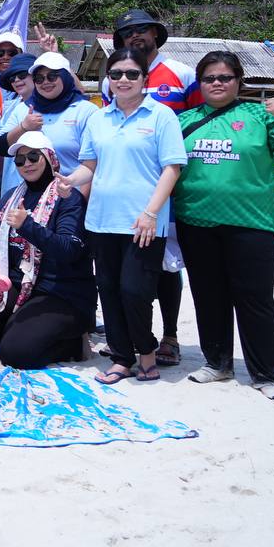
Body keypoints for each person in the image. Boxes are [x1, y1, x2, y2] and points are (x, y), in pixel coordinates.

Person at [173, 52, 274, 401]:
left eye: (225, 77)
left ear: (238, 82)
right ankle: (217, 363)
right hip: (195, 221)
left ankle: (265, 373)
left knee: (255, 299)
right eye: (209, 78)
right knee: (208, 295)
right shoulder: (184, 119)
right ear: (199, 84)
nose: (217, 83)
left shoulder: (262, 115)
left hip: (251, 223)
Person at [58, 47, 187, 384]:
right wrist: (69, 182)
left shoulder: (161, 116)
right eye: (116, 74)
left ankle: (146, 353)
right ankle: (120, 358)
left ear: (145, 79)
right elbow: (89, 167)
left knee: (135, 291)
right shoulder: (99, 119)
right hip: (101, 220)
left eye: (132, 74)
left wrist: (151, 212)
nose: (123, 80)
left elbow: (172, 169)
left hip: (143, 222)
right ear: (108, 80)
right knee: (110, 289)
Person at [94, 9, 201, 366]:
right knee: (126, 280)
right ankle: (131, 343)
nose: (136, 35)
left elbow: (202, 118)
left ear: (157, 33)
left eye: (143, 29)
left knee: (169, 267)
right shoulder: (113, 84)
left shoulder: (180, 73)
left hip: (170, 186)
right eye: (128, 31)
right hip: (122, 197)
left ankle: (168, 335)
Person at [0, 132, 95, 369]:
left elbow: (69, 249)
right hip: (19, 286)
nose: (27, 164)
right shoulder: (12, 197)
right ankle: (18, 330)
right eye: (20, 160)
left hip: (60, 292)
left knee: (17, 355)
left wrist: (28, 226)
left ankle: (73, 343)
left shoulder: (68, 197)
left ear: (50, 158)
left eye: (33, 156)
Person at [0, 52, 94, 186]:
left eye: (52, 76)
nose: (46, 82)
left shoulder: (86, 111)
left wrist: (78, 202)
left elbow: (92, 164)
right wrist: (23, 127)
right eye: (39, 78)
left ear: (65, 77)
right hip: (28, 200)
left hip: (70, 197)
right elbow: (1, 148)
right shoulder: (23, 109)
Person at [0, 53, 37, 200]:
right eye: (12, 78)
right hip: (12, 186)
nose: (17, 80)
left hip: (38, 187)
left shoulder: (49, 106)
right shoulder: (14, 106)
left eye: (22, 75)